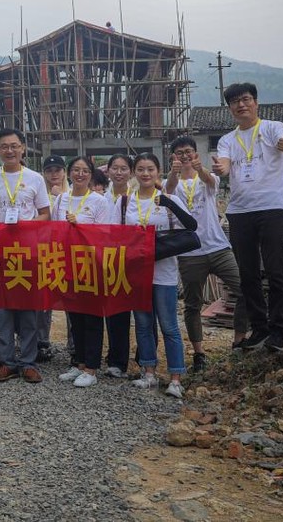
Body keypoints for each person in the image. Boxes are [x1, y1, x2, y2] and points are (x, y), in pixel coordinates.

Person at [212, 83, 283, 352]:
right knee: (248, 275)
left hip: (273, 209)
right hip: (240, 212)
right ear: (229, 108)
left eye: (246, 99)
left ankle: (280, 330)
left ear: (256, 102)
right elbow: (225, 165)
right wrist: (221, 168)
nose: (241, 105)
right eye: (235, 102)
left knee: (275, 270)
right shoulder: (227, 140)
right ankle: (259, 329)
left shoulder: (272, 128)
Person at [166, 135, 246, 370]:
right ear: (173, 156)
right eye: (179, 152)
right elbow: (167, 191)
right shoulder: (171, 182)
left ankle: (239, 340)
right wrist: (173, 172)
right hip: (190, 253)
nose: (185, 156)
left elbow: (211, 181)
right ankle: (199, 353)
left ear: (195, 153)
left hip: (218, 247)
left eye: (188, 151)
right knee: (193, 304)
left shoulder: (207, 178)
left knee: (244, 290)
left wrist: (200, 168)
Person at [0, 128, 50, 384]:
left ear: (23, 148)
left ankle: (28, 362)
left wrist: (26, 224)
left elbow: (45, 214)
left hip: (27, 252)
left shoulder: (35, 178)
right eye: (4, 146)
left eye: (14, 146)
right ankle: (6, 362)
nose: (9, 150)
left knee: (29, 309)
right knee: (3, 309)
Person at [122, 153, 194, 398]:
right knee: (143, 325)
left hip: (164, 272)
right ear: (134, 172)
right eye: (141, 169)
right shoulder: (125, 202)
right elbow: (115, 234)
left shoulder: (170, 199)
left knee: (169, 326)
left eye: (150, 169)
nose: (145, 174)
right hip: (137, 273)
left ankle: (175, 377)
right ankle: (149, 373)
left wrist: (169, 204)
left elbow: (191, 226)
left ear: (158, 171)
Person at [54, 157, 113, 388]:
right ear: (69, 173)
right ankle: (78, 363)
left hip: (91, 267)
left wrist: (79, 225)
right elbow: (54, 230)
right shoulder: (61, 199)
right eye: (76, 170)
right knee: (75, 318)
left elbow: (105, 234)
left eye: (85, 171)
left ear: (91, 175)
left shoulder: (99, 201)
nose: (80, 174)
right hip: (67, 265)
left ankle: (91, 368)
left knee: (92, 318)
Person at [102, 153, 135, 378]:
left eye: (124, 168)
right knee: (116, 312)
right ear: (108, 171)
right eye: (115, 168)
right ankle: (117, 359)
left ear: (130, 172)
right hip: (110, 261)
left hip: (135, 260)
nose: (119, 172)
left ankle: (145, 359)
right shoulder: (100, 198)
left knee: (143, 313)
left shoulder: (138, 196)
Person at [37, 155, 69, 360]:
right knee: (43, 300)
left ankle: (74, 346)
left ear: (64, 172)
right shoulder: (38, 194)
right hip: (43, 252)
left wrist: (60, 198)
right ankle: (42, 342)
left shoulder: (73, 193)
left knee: (71, 300)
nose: (54, 174)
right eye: (49, 170)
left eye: (57, 170)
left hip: (68, 253)